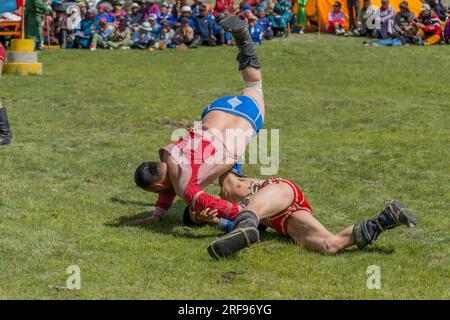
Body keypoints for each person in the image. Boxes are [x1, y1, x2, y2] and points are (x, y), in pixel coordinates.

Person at [133, 15, 265, 225]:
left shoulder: (185, 186)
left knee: (254, 88)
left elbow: (212, 203)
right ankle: (244, 42)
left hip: (244, 119)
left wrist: (242, 214)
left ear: (156, 186)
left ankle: (239, 184)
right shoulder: (168, 153)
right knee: (251, 85)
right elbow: (169, 184)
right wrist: (158, 214)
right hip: (215, 110)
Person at [198, 172, 417, 259]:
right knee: (330, 245)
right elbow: (238, 229)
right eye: (195, 216)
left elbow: (222, 151)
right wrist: (217, 221)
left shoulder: (226, 177)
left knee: (249, 216)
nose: (196, 213)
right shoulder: (226, 207)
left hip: (280, 191)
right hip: (283, 221)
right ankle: (385, 218)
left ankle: (247, 226)